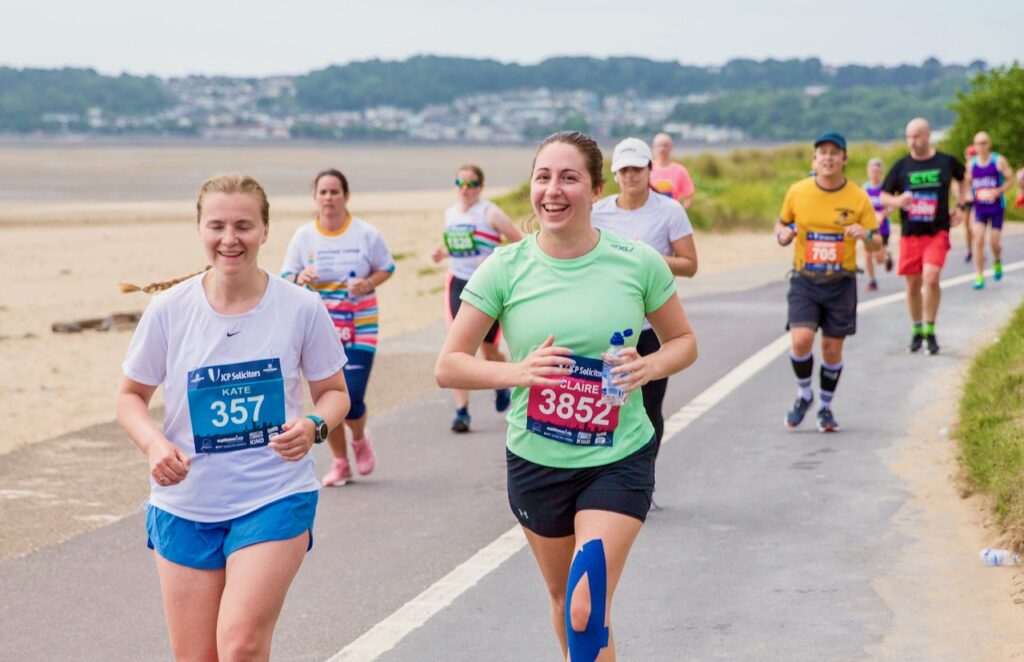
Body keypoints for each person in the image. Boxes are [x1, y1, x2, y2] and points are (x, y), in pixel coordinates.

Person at [436, 131, 697, 661]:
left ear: (596, 190)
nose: (553, 190)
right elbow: (449, 364)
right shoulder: (504, 268)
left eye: (569, 178)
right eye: (543, 177)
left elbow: (684, 342)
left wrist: (647, 367)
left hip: (618, 455)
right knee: (564, 602)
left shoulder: (637, 261)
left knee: (584, 603)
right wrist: (518, 372)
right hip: (537, 459)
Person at [116, 174, 350, 660]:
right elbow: (129, 397)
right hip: (186, 503)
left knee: (241, 646)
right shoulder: (168, 311)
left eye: (243, 225)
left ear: (265, 231)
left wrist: (313, 428)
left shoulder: (301, 308)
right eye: (217, 225)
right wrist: (155, 445)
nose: (230, 238)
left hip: (274, 496)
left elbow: (333, 394)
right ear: (200, 230)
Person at [282, 168, 395, 486]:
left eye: (334, 192)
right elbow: (286, 276)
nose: (329, 197)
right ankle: (341, 462)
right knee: (326, 402)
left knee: (353, 398)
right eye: (323, 192)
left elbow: (387, 267)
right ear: (315, 197)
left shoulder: (365, 233)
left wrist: (368, 283)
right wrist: (300, 278)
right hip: (320, 329)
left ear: (346, 196)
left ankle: (359, 439)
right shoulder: (304, 236)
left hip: (359, 325)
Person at [591, 136, 697, 452]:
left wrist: (646, 256)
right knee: (608, 404)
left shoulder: (670, 211)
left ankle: (645, 480)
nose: (631, 176)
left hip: (651, 326)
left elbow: (690, 265)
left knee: (649, 409)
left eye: (637, 168)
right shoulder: (597, 213)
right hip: (606, 327)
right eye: (623, 170)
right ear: (614, 175)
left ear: (650, 169)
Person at [776, 132, 881, 432]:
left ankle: (825, 406)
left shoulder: (858, 197)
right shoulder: (798, 191)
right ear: (814, 159)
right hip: (804, 280)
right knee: (801, 340)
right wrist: (782, 236)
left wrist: (867, 236)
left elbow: (878, 243)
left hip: (841, 282)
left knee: (832, 350)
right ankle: (803, 394)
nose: (828, 157)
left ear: (844, 159)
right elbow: (782, 224)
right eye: (822, 152)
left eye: (835, 152)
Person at [432, 164, 523, 432]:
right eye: (459, 182)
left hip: (486, 288)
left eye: (470, 184)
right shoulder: (450, 214)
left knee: (488, 349)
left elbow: (519, 244)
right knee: (456, 349)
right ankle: (461, 412)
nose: (464, 189)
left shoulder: (490, 212)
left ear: (480, 187)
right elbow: (458, 246)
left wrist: (495, 258)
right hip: (457, 283)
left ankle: (503, 383)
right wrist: (443, 254)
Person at [880, 118, 966, 356]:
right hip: (910, 234)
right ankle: (917, 329)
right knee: (912, 285)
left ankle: (930, 330)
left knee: (931, 277)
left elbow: (964, 177)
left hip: (937, 231)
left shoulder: (945, 161)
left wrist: (961, 206)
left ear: (928, 136)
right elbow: (884, 196)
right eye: (908, 136)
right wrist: (898, 201)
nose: (912, 141)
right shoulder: (902, 166)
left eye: (917, 136)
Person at [965, 131, 1015, 289]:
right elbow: (966, 182)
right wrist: (967, 195)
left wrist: (999, 191)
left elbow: (1011, 179)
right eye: (978, 143)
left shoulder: (998, 160)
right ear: (974, 146)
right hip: (979, 208)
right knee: (978, 240)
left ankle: (997, 260)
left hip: (996, 207)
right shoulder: (971, 164)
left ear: (989, 144)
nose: (981, 146)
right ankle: (979, 275)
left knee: (994, 242)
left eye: (984, 143)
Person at [862, 157, 894, 291]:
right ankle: (872, 281)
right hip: (870, 228)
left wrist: (884, 214)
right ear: (868, 172)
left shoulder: (885, 188)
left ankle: (887, 258)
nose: (874, 173)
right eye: (872, 170)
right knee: (868, 254)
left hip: (883, 228)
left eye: (877, 171)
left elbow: (892, 205)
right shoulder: (865, 188)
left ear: (881, 172)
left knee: (879, 258)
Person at [650, 132, 696, 208]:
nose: (662, 149)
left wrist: (681, 212)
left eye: (665, 145)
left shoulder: (680, 170)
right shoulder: (647, 168)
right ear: (654, 148)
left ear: (671, 147)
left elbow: (689, 195)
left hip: (672, 214)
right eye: (659, 145)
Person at [963, 145, 977, 262]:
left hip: (975, 200)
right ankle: (969, 250)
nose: (972, 157)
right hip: (966, 202)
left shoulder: (977, 168)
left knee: (973, 227)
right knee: (966, 227)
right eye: (970, 154)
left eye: (974, 154)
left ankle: (978, 248)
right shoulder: (963, 169)